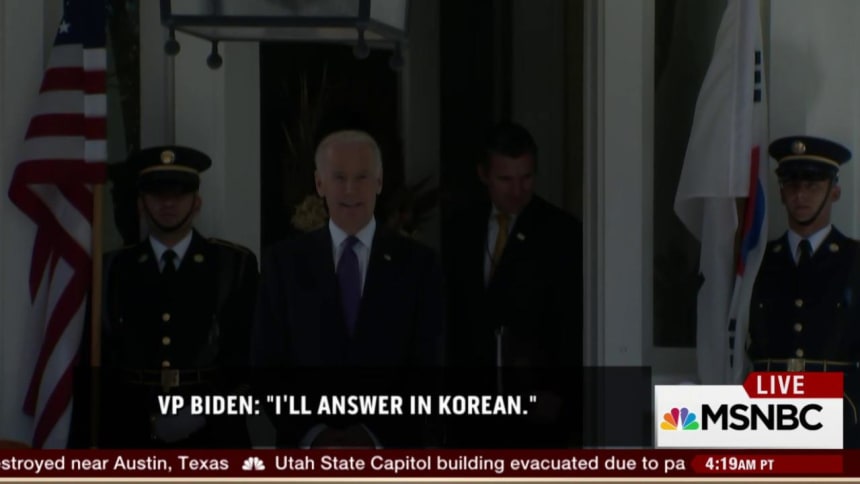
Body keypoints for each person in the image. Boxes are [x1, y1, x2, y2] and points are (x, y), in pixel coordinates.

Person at [252, 129, 445, 448]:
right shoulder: (282, 263)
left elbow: (428, 367)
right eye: (339, 177)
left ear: (379, 181)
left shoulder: (419, 265)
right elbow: (266, 365)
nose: (351, 190)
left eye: (362, 177)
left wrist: (373, 435)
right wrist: (314, 434)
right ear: (319, 184)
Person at [92, 145, 259, 448]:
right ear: (141, 203)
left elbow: (250, 361)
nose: (168, 202)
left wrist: (204, 412)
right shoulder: (112, 269)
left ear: (197, 203)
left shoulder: (233, 266)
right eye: (157, 193)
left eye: (179, 193)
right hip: (130, 435)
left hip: (213, 438)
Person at [444, 121, 583, 448]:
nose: (518, 190)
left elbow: (573, 319)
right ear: (483, 175)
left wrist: (559, 391)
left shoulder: (562, 232)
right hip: (471, 406)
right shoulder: (461, 227)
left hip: (537, 403)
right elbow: (453, 313)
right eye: (506, 179)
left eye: (527, 178)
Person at [748, 135, 860, 448]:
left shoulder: (855, 260)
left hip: (839, 416)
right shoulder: (758, 261)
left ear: (834, 191)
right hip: (766, 415)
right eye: (792, 184)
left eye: (813, 185)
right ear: (781, 192)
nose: (801, 194)